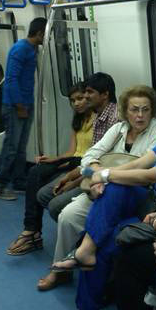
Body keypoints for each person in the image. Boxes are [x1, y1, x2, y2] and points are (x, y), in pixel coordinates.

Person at [49, 113, 156, 310]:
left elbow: (149, 175)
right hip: (151, 210)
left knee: (105, 240)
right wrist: (98, 178)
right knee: (105, 228)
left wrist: (105, 175)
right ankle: (86, 256)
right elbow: (137, 165)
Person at [37, 85, 156, 292]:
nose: (140, 116)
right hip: (100, 186)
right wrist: (96, 173)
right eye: (134, 109)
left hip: (132, 192)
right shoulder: (118, 130)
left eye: (145, 110)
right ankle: (61, 272)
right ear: (125, 111)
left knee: (112, 228)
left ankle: (92, 265)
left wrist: (103, 175)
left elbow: (144, 169)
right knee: (68, 216)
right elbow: (88, 157)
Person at [6, 82, 94, 256]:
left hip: (85, 162)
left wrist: (67, 167)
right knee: (35, 171)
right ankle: (32, 230)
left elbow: (90, 155)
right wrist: (54, 159)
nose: (76, 103)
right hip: (73, 158)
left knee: (46, 177)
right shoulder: (78, 120)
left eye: (80, 98)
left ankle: (34, 233)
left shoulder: (99, 121)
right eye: (73, 100)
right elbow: (71, 151)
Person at [30, 72, 119, 224]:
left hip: (104, 177)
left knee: (54, 205)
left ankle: (82, 232)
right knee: (41, 186)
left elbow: (102, 164)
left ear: (104, 95)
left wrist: (73, 182)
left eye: (89, 92)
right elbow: (90, 159)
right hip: (89, 169)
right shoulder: (99, 116)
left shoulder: (115, 119)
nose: (86, 97)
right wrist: (69, 177)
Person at [0, 17, 47, 201]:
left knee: (21, 147)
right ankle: (0, 186)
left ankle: (18, 180)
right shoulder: (20, 49)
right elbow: (11, 79)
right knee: (11, 147)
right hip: (16, 105)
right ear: (40, 33)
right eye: (46, 33)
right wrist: (19, 105)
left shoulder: (33, 49)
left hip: (27, 103)